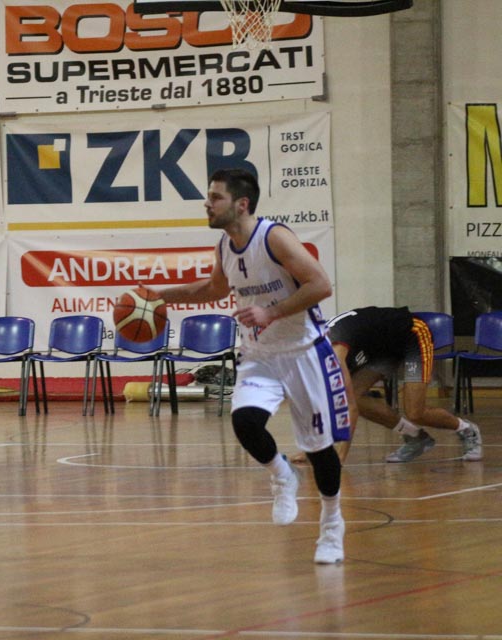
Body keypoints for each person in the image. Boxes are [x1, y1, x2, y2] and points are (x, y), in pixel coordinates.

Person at [143, 168, 348, 564]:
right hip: (260, 354)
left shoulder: (274, 237)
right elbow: (212, 289)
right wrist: (160, 296)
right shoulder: (225, 245)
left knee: (320, 449)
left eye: (215, 197)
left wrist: (271, 312)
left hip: (304, 351)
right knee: (245, 422)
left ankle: (331, 526)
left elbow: (320, 284)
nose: (207, 203)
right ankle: (283, 475)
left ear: (242, 204)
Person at [324, 306, 481, 463]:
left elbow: (349, 407)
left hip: (412, 335)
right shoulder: (322, 348)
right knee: (353, 395)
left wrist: (339, 459)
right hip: (379, 347)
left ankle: (466, 429)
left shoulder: (335, 352)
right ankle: (415, 436)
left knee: (415, 413)